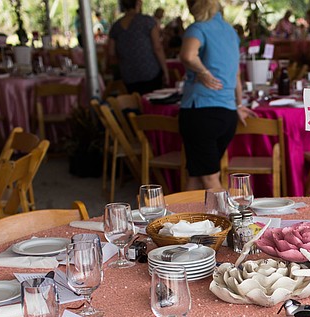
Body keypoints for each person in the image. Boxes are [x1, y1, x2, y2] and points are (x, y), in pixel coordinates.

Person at [178, 0, 255, 191]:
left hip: (201, 111)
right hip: (227, 114)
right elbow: (236, 73)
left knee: (211, 180)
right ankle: (187, 220)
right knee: (196, 177)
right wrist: (238, 104)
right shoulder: (230, 31)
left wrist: (203, 72)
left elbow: (188, 55)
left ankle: (230, 220)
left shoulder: (198, 28)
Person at [106, 0, 169, 94]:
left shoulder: (115, 27)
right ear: (138, 3)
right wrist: (166, 71)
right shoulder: (148, 21)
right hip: (150, 74)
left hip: (128, 77)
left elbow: (111, 55)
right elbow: (157, 48)